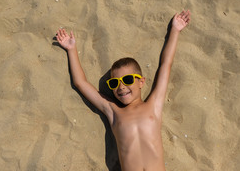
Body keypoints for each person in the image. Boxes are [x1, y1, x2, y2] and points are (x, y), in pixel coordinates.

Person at [56, 10, 191, 171]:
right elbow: (81, 83)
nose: (121, 87)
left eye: (127, 80)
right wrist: (71, 50)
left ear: (141, 82)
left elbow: (166, 64)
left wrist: (175, 30)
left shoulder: (154, 105)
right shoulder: (113, 111)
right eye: (114, 83)